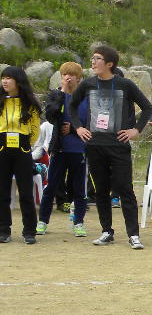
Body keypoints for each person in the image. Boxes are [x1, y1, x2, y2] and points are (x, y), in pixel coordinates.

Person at [68, 44, 152, 249]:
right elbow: (72, 105)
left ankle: (133, 234)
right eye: (93, 58)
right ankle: (107, 231)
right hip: (95, 145)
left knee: (125, 189)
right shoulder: (88, 84)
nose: (93, 62)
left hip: (118, 145)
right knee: (101, 190)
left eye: (97, 58)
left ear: (109, 64)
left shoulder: (125, 85)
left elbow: (147, 108)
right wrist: (78, 127)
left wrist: (136, 130)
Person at [38, 62, 89, 237]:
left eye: (72, 75)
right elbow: (50, 116)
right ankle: (42, 221)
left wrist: (73, 129)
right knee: (51, 186)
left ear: (79, 78)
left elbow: (90, 123)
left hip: (79, 149)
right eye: (64, 75)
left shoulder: (86, 99)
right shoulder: (55, 95)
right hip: (59, 149)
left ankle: (78, 222)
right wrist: (62, 93)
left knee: (79, 189)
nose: (68, 78)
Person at [0, 66, 43, 244]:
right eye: (3, 78)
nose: (5, 81)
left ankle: (29, 231)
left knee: (26, 192)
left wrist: (25, 144)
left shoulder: (30, 104)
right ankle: (3, 230)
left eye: (8, 78)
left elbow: (35, 130)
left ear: (18, 81)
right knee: (2, 192)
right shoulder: (0, 101)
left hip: (22, 149)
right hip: (2, 148)